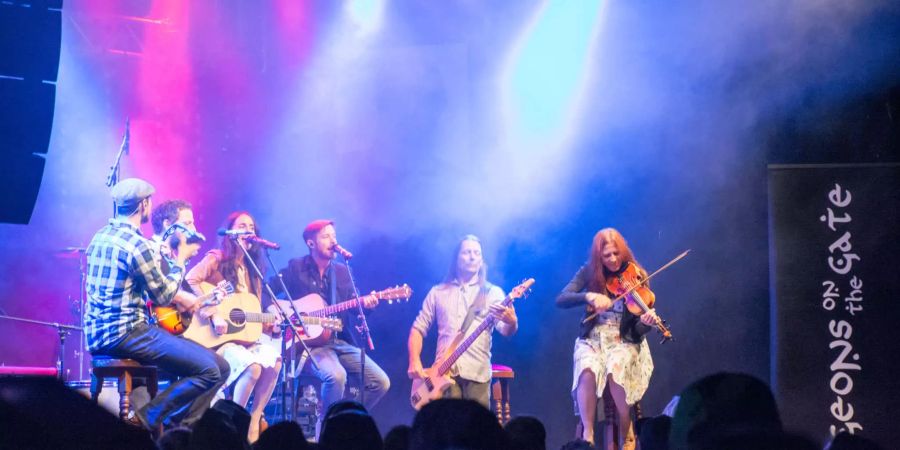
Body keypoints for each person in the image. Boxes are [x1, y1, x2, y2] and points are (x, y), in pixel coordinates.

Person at [83, 178, 229, 431]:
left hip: (98, 333)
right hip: (126, 333)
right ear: (143, 205)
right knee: (212, 371)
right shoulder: (136, 244)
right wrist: (180, 259)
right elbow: (163, 295)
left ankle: (177, 428)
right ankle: (150, 419)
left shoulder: (100, 236)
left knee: (222, 366)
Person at [276, 219, 391, 428]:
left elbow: (356, 308)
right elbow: (268, 291)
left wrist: (369, 304)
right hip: (311, 345)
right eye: (326, 236)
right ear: (311, 243)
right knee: (336, 376)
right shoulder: (295, 267)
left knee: (381, 382)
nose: (333, 241)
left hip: (340, 342)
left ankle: (343, 421)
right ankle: (328, 431)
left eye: (334, 236)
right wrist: (276, 312)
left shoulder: (342, 272)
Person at [556, 228, 658, 449]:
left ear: (622, 251)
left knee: (615, 365)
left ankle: (626, 426)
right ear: (598, 257)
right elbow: (562, 298)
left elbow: (637, 331)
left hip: (625, 340)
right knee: (587, 366)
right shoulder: (589, 272)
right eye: (606, 256)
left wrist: (647, 324)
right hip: (593, 339)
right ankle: (588, 433)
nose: (612, 260)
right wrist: (588, 295)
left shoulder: (636, 274)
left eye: (616, 254)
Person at [185, 211, 283, 442]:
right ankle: (234, 427)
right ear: (230, 232)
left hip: (242, 339)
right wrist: (213, 314)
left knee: (275, 362)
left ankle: (252, 421)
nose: (248, 230)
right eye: (241, 225)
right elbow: (191, 279)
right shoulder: (217, 258)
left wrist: (270, 324)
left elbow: (248, 313)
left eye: (251, 226)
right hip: (216, 338)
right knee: (254, 368)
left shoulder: (253, 271)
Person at [407, 234, 518, 408]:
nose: (473, 257)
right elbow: (418, 329)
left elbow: (506, 330)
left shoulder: (492, 292)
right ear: (456, 258)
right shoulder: (438, 292)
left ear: (481, 260)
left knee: (477, 431)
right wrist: (414, 360)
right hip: (443, 374)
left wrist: (511, 321)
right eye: (467, 252)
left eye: (477, 253)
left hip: (477, 373)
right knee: (449, 431)